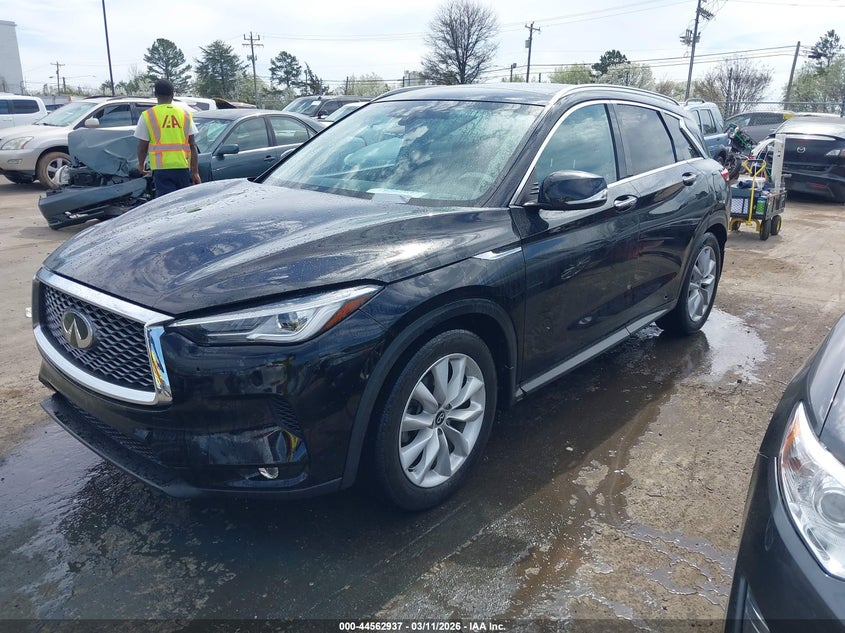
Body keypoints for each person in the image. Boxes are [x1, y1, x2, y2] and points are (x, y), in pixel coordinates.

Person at [135, 79, 201, 197]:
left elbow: (142, 146)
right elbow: (192, 145)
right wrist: (195, 171)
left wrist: (141, 164)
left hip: (161, 169)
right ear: (173, 94)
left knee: (166, 204)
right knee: (183, 202)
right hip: (182, 167)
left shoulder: (148, 115)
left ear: (155, 95)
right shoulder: (185, 114)